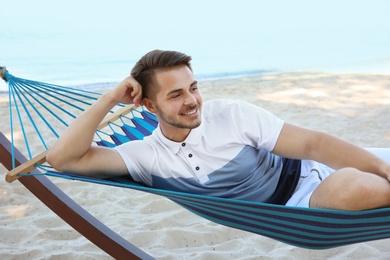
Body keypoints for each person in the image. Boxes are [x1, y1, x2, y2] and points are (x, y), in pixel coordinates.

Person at [46, 50, 390, 210]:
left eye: (193, 87)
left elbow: (314, 144)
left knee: (378, 170)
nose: (193, 101)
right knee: (357, 189)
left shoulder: (231, 115)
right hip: (303, 203)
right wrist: (109, 98)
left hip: (313, 169)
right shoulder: (146, 156)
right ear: (150, 106)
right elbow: (62, 159)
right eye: (176, 94)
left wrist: (382, 167)